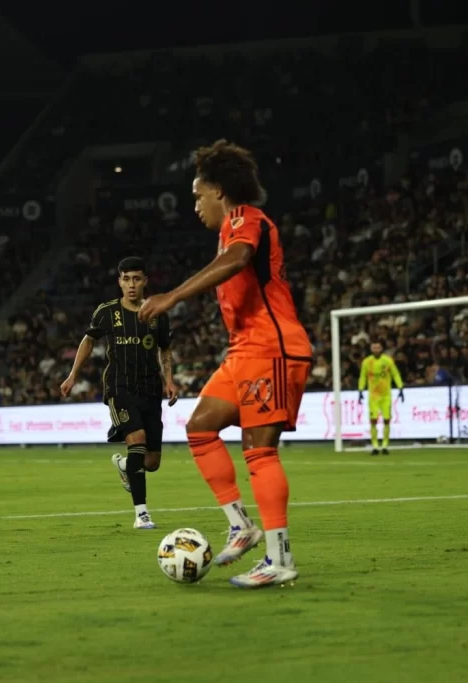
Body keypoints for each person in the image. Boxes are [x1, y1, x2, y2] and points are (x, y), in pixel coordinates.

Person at [139, 139, 311, 588]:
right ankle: (241, 525)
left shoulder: (245, 219)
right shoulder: (228, 229)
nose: (195, 205)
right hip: (244, 352)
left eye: (198, 195)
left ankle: (279, 559)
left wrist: (172, 295)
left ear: (218, 190)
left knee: (259, 450)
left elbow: (238, 260)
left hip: (270, 347)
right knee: (200, 426)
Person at [61, 257, 178, 530]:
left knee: (151, 462)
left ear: (145, 281)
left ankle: (127, 466)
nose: (131, 285)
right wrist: (72, 375)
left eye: (137, 279)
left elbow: (164, 348)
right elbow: (89, 340)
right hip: (120, 388)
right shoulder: (106, 312)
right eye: (126, 279)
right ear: (119, 282)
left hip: (150, 389)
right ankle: (142, 514)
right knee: (136, 440)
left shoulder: (157, 313)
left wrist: (169, 380)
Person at [358, 341, 405, 455]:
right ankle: (375, 446)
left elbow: (395, 374)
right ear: (371, 349)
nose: (376, 350)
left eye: (378, 347)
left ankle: (384, 445)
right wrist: (360, 390)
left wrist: (400, 387)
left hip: (385, 395)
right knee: (373, 420)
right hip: (373, 396)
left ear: (381, 348)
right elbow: (363, 376)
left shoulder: (388, 360)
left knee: (387, 420)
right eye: (374, 347)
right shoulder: (367, 362)